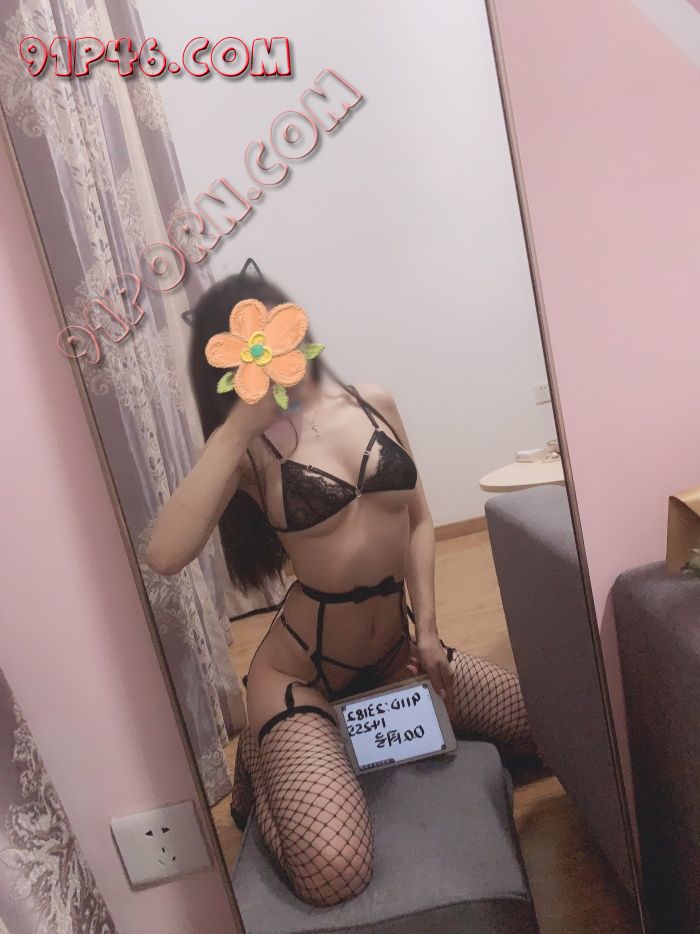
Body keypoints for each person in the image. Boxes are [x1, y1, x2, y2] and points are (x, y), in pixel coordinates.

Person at [146, 273, 534, 908]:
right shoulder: (247, 452)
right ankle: (266, 758)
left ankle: (326, 744)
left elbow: (418, 520)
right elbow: (164, 556)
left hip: (397, 655)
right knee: (334, 872)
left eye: (273, 329)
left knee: (538, 726)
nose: (268, 350)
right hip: (302, 675)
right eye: (246, 342)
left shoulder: (371, 401)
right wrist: (235, 431)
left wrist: (429, 631)